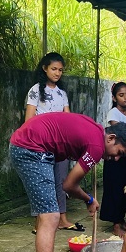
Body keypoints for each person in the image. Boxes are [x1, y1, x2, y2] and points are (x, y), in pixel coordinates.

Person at [10, 112, 126, 252]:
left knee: (49, 212)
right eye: (118, 152)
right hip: (30, 149)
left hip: (33, 146)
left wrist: (88, 198)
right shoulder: (96, 147)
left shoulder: (97, 133)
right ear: (111, 138)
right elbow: (69, 185)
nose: (114, 158)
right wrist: (89, 199)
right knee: (51, 216)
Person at [24, 52, 84, 232]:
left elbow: (68, 118)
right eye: (54, 69)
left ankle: (63, 219)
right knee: (42, 181)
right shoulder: (35, 90)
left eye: (60, 70)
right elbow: (29, 120)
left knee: (61, 180)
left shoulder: (62, 94)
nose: (57, 73)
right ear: (44, 69)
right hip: (41, 144)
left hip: (61, 144)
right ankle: (39, 223)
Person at [99, 82, 126, 236]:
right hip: (114, 154)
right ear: (115, 97)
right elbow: (123, 135)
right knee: (114, 188)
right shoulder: (113, 113)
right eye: (121, 95)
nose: (125, 98)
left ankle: (121, 217)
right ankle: (115, 222)